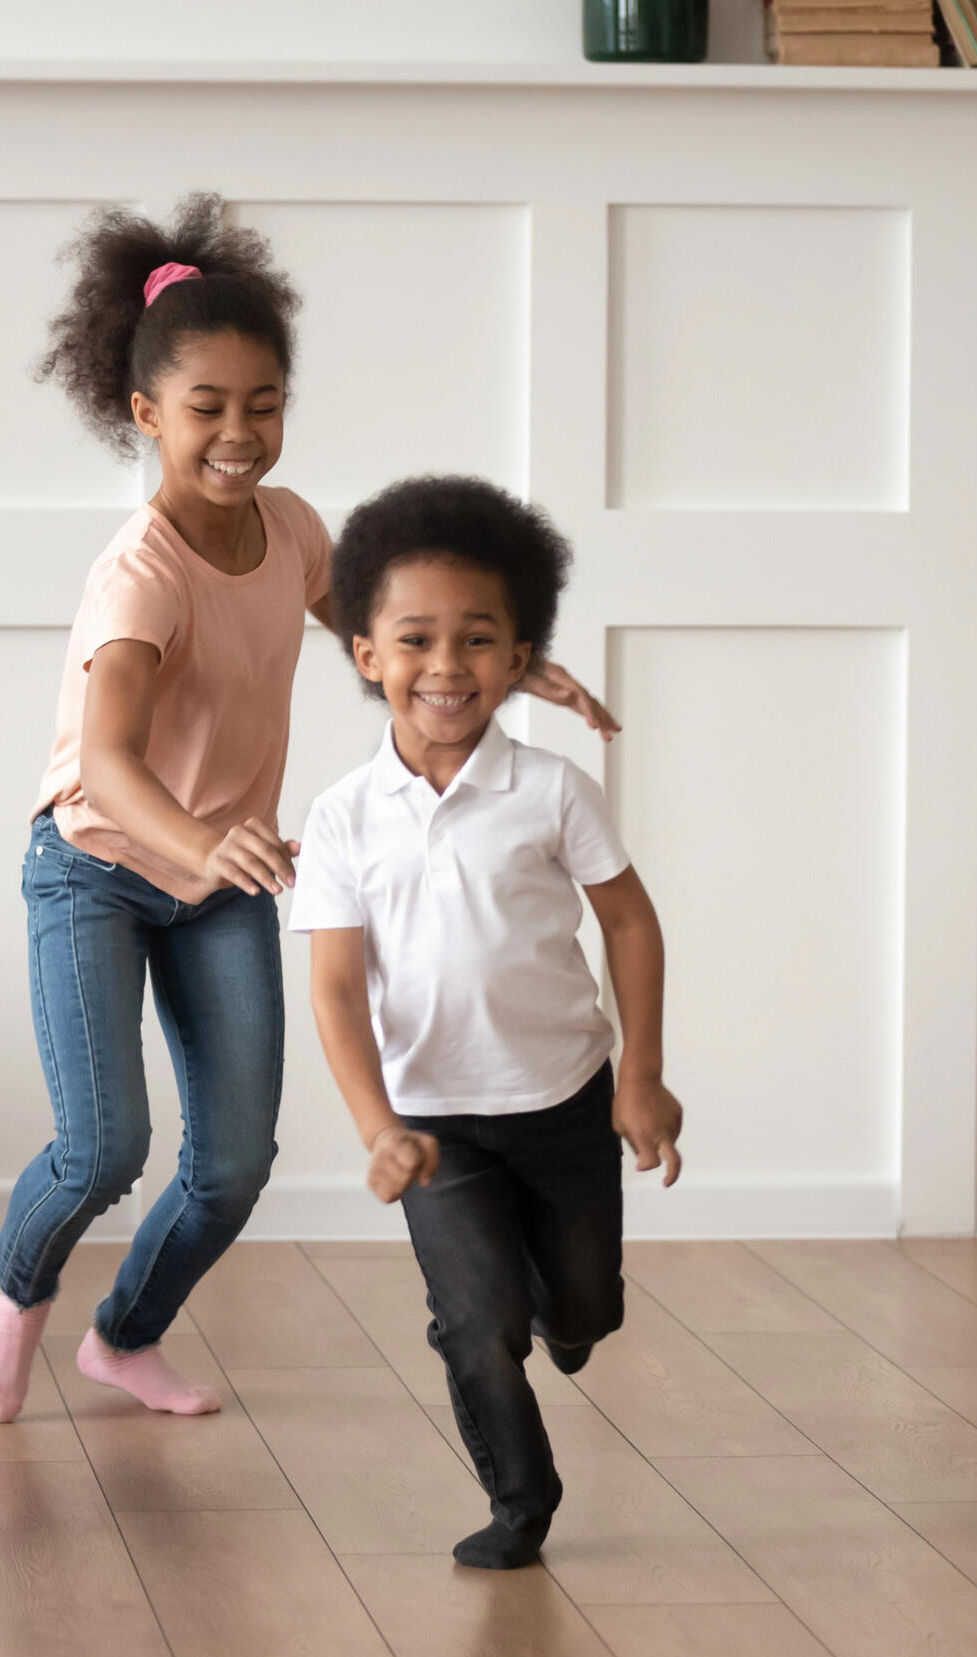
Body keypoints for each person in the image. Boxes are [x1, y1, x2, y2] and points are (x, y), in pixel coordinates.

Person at [0, 200, 618, 1424]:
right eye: (207, 406)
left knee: (234, 1162)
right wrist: (205, 839)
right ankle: (17, 1291)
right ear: (146, 414)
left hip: (223, 879)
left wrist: (520, 668)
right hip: (97, 865)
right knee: (103, 1150)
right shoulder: (140, 573)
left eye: (264, 403)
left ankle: (125, 1334)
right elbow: (103, 762)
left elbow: (388, 637)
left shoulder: (295, 529)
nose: (240, 431)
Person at [290, 475, 683, 1569]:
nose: (447, 665)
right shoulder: (341, 816)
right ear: (367, 652)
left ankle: (572, 1318)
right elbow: (332, 987)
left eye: (478, 639)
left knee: (585, 1311)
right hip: (433, 1121)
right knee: (475, 1321)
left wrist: (642, 1077)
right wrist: (378, 1126)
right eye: (416, 638)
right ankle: (522, 1501)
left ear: (519, 659)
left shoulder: (552, 788)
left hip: (563, 1100)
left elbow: (632, 922)